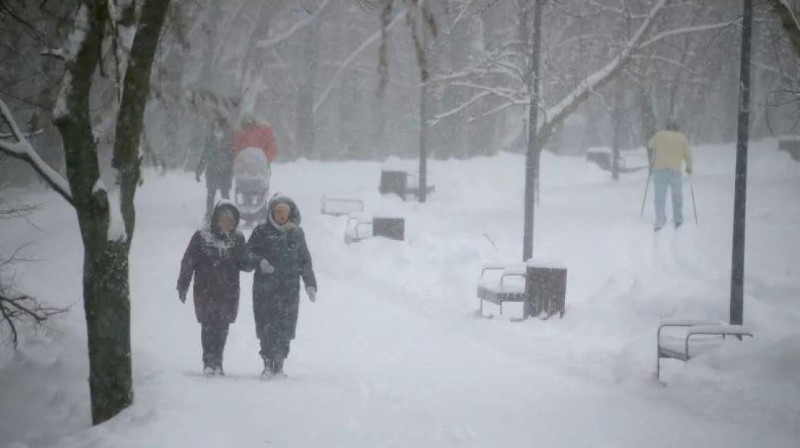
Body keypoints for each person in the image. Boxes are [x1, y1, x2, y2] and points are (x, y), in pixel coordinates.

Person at [177, 201, 251, 375]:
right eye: (223, 220)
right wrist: (183, 284)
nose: (226, 224)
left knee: (222, 327)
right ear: (216, 220)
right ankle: (208, 361)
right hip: (205, 291)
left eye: (230, 221)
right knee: (208, 326)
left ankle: (218, 360)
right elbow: (188, 261)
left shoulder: (238, 239)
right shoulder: (202, 237)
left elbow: (244, 263)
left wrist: (255, 262)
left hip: (228, 292)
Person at [247, 195, 317, 378]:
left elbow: (305, 261)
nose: (280, 215)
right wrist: (259, 262)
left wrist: (310, 284)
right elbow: (246, 256)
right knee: (266, 327)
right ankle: (267, 364)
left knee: (285, 328)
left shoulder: (297, 234)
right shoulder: (261, 232)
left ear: (290, 213)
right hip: (264, 290)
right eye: (277, 211)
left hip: (289, 290)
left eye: (284, 211)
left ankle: (279, 362)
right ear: (271, 212)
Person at [647, 121, 693, 231]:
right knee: (677, 195)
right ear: (677, 128)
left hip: (660, 170)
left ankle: (660, 221)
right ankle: (678, 219)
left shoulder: (659, 135)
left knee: (660, 196)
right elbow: (688, 154)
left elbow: (650, 144)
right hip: (675, 170)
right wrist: (689, 167)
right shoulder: (682, 138)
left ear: (666, 128)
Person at [196, 117, 234, 220]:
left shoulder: (229, 139)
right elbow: (205, 155)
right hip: (212, 171)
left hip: (225, 172)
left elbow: (233, 155)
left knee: (225, 194)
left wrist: (233, 166)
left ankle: (228, 215)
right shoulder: (210, 139)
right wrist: (199, 170)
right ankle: (209, 216)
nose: (215, 128)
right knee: (211, 194)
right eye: (214, 126)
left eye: (217, 126)